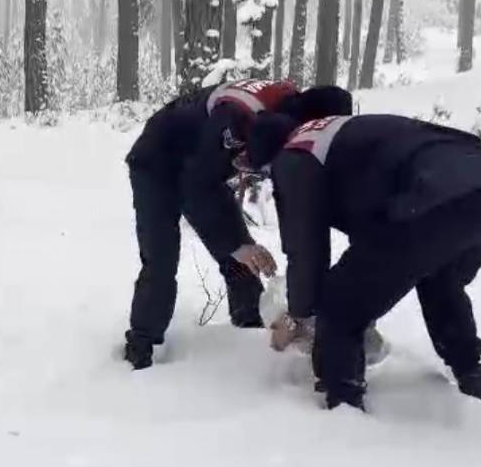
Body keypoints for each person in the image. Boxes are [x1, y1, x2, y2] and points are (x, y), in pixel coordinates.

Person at [243, 112, 481, 410]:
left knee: (339, 302)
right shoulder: (333, 135)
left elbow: (305, 248)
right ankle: (473, 382)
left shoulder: (295, 154)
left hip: (436, 198)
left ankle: (342, 408)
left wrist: (297, 315)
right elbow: (373, 237)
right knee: (440, 280)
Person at [122, 79, 354, 369]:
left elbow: (286, 190)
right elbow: (195, 187)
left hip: (202, 167)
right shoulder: (237, 115)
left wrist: (252, 247)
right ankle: (141, 348)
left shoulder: (287, 111)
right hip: (156, 161)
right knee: (162, 259)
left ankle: (249, 328)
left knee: (244, 257)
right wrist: (236, 245)